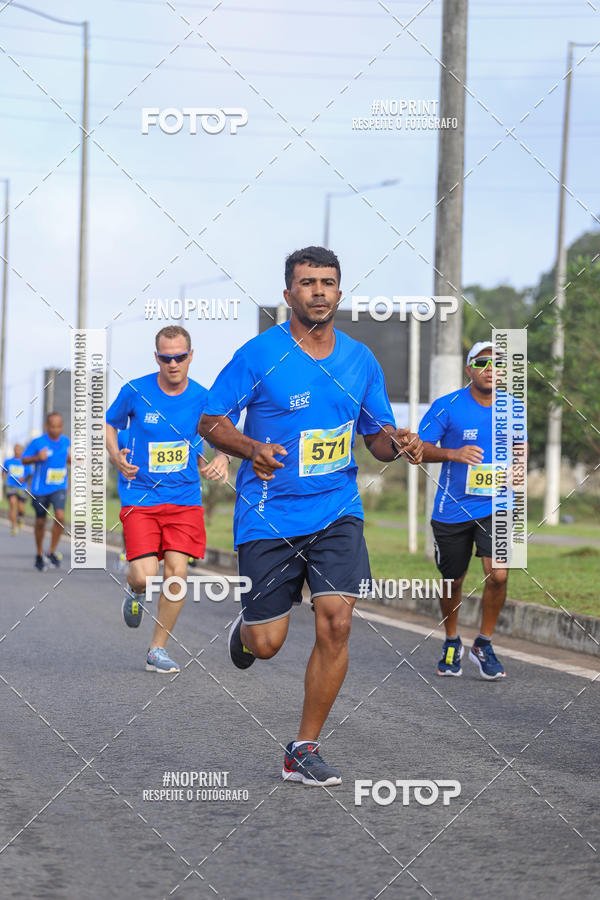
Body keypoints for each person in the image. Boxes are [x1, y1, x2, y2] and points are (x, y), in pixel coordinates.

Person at [199, 246, 423, 786]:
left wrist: (398, 442)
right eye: (307, 282)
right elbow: (210, 420)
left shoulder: (361, 360)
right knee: (266, 644)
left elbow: (376, 437)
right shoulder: (259, 355)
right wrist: (251, 447)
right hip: (269, 514)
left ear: (339, 292)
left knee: (337, 621)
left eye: (327, 282)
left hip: (336, 509)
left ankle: (303, 748)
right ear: (288, 294)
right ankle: (246, 630)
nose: (318, 291)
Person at [106, 325, 230, 674]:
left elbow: (222, 434)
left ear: (191, 356)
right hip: (141, 497)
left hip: (184, 499)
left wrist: (222, 457)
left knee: (177, 573)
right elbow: (110, 424)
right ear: (156, 357)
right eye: (165, 358)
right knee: (144, 576)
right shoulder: (135, 391)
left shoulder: (204, 398)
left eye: (179, 357)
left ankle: (156, 649)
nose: (173, 364)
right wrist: (115, 457)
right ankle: (134, 590)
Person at [418, 341, 527, 681]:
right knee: (453, 580)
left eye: (497, 364)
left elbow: (520, 447)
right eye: (482, 363)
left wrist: (518, 470)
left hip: (498, 505)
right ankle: (451, 639)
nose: (490, 369)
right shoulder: (447, 406)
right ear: (469, 370)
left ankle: (484, 642)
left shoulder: (514, 407)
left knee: (499, 574)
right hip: (452, 509)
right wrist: (453, 454)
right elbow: (417, 449)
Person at [22, 413, 71, 571]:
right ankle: (39, 553)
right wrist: (37, 457)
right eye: (52, 426)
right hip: (40, 489)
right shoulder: (38, 442)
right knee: (40, 522)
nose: (56, 430)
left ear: (62, 426)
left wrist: (74, 459)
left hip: (59, 486)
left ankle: (51, 552)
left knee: (60, 516)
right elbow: (24, 459)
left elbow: (67, 457)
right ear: (47, 426)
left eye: (59, 426)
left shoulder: (66, 441)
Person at [3, 443, 32, 535]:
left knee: (21, 508)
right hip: (11, 486)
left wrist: (25, 478)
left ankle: (20, 517)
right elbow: (4, 472)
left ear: (22, 451)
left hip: (22, 487)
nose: (17, 451)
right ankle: (13, 526)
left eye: (19, 449)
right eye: (15, 449)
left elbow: (30, 474)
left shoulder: (26, 461)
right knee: (12, 504)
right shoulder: (8, 461)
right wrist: (3, 482)